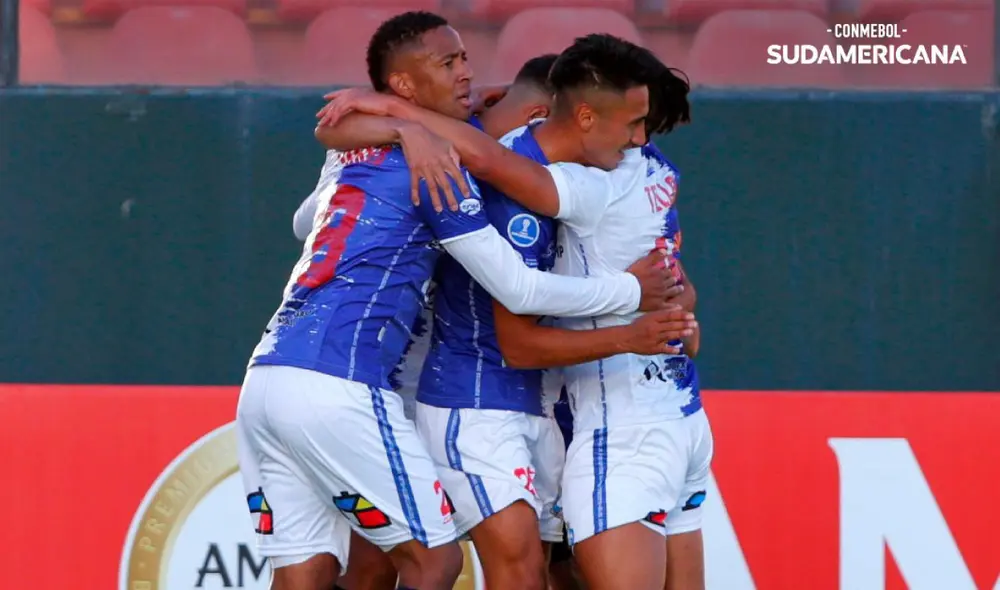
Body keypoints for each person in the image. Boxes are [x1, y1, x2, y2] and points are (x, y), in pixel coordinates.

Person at [236, 13, 679, 590]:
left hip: (269, 375)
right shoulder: (439, 169)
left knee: (311, 569)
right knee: (434, 561)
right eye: (449, 63)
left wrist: (400, 125)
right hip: (346, 381)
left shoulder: (368, 149)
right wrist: (631, 294)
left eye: (465, 58)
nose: (467, 72)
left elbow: (307, 215)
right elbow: (518, 289)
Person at [288, 53, 565, 590]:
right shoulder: (435, 145)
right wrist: (400, 132)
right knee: (378, 563)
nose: (465, 74)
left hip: (467, 388)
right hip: (398, 386)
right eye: (450, 63)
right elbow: (308, 219)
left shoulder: (478, 143)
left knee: (526, 561)